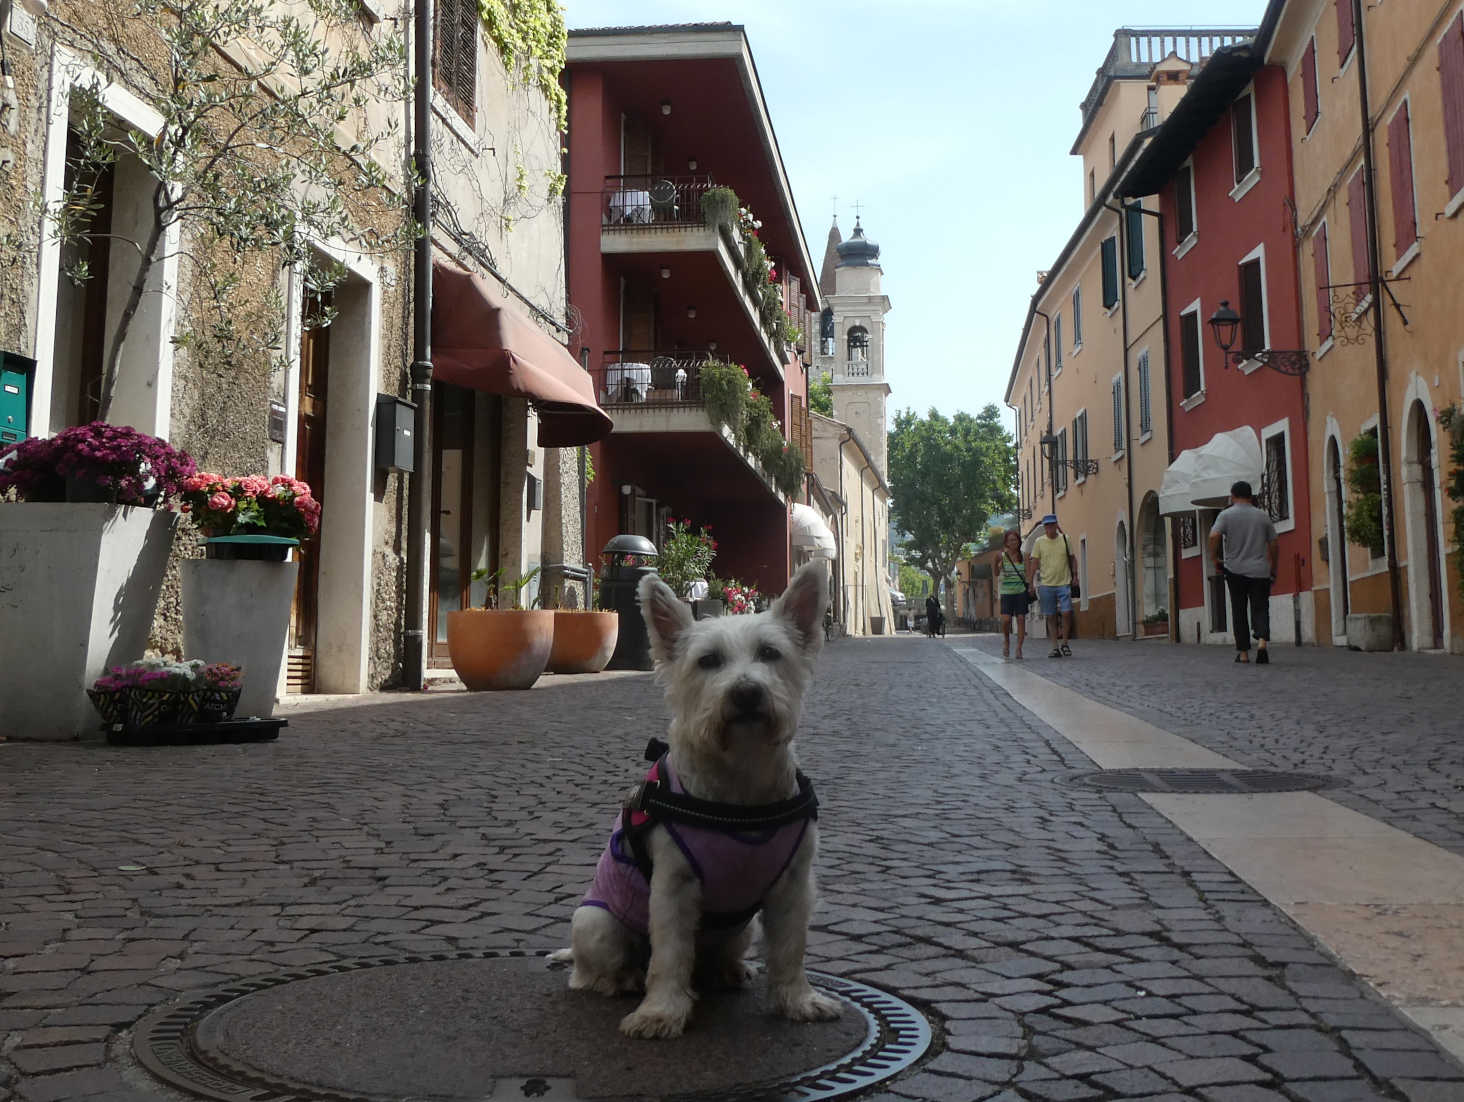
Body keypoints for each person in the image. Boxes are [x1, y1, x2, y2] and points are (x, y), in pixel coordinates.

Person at [1209, 480, 1279, 665]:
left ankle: (1244, 654)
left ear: (1233, 496)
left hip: (1235, 570)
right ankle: (1262, 643)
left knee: (1239, 610)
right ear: (1250, 496)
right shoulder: (1262, 516)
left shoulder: (1226, 515)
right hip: (1260, 570)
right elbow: (1273, 543)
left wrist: (1214, 557)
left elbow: (1214, 536)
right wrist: (1273, 565)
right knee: (1261, 607)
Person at [1027, 513, 1077, 658]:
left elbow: (1072, 559)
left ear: (1056, 525)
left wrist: (1075, 576)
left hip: (1064, 582)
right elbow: (1034, 563)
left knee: (1067, 613)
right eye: (1047, 525)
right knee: (1051, 616)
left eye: (1052, 524)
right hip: (1046, 585)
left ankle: (1065, 643)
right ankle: (1055, 646)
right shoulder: (1039, 542)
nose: (1050, 527)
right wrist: (1030, 583)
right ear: (1045, 527)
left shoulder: (1065, 539)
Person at [997, 528, 1030, 659]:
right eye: (1010, 540)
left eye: (1015, 539)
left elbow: (1027, 573)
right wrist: (996, 564)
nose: (1013, 542)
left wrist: (1031, 586)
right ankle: (1006, 640)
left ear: (1019, 541)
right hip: (1006, 592)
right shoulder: (1002, 557)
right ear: (1006, 542)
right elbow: (996, 572)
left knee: (1021, 619)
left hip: (1020, 591)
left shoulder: (1024, 556)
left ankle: (1019, 648)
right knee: (1006, 621)